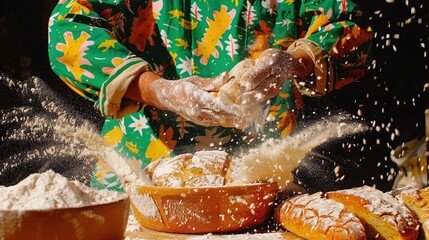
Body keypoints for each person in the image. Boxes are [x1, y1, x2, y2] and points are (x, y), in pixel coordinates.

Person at [48, 0, 380, 192]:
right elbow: (68, 27)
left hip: (258, 180)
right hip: (141, 179)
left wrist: (292, 64)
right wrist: (159, 90)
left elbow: (349, 26)